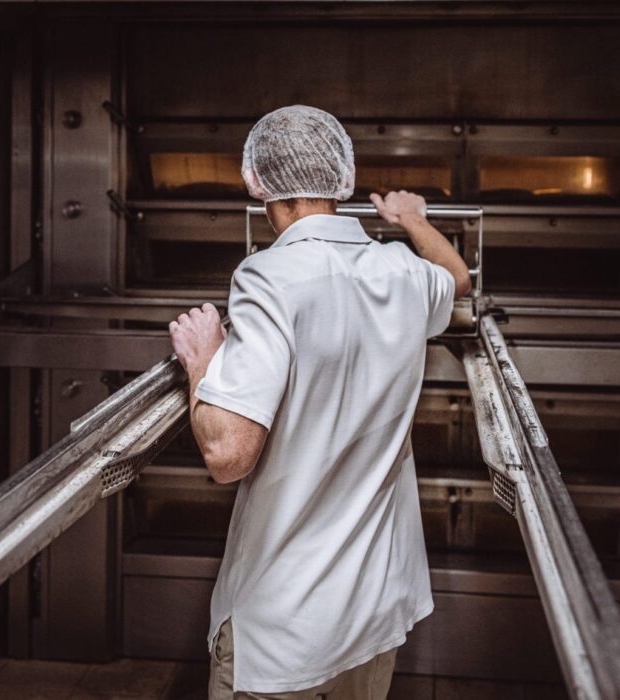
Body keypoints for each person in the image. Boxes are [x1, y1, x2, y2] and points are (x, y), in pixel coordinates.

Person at [168, 105, 471, 700]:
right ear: (343, 180)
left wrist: (203, 363)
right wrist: (411, 217)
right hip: (373, 610)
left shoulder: (268, 277)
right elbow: (456, 277)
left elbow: (227, 454)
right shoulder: (400, 272)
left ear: (258, 187)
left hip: (286, 626)